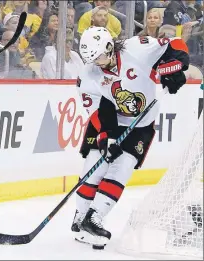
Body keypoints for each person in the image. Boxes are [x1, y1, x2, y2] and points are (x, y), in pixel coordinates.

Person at [72, 26, 189, 248]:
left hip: (141, 125)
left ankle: (94, 217)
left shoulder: (137, 47)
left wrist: (174, 68)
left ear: (109, 46)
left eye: (99, 57)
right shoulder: (89, 73)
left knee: (122, 167)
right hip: (108, 121)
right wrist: (107, 137)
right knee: (94, 168)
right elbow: (97, 111)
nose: (97, 63)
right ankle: (79, 217)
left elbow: (175, 44)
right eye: (92, 59)